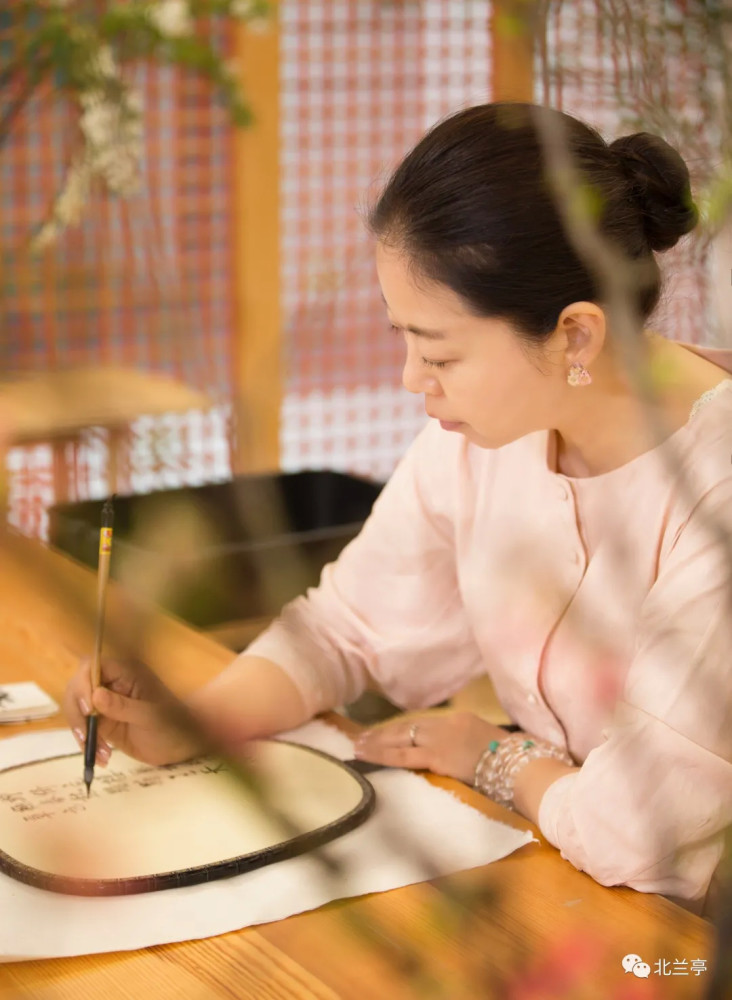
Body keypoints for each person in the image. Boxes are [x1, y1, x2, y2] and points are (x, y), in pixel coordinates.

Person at [64, 102, 732, 915]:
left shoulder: (715, 489)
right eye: (402, 338)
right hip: (576, 883)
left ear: (576, 338)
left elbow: (642, 832)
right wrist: (194, 722)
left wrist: (489, 755)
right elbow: (348, 630)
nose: (411, 379)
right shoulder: (491, 430)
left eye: (440, 350)